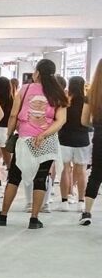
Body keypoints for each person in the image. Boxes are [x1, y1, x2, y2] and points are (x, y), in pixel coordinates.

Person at [0, 60, 68, 230]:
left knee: (14, 177)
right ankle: (34, 219)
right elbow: (61, 120)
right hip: (47, 142)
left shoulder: (25, 89)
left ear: (37, 73)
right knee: (41, 178)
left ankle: (3, 215)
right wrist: (44, 134)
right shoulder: (58, 93)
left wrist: (9, 134)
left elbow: (13, 115)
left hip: (25, 140)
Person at [59, 76, 90, 209]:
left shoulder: (65, 100)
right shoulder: (87, 101)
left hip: (64, 138)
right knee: (81, 170)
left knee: (65, 170)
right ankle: (81, 202)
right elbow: (89, 121)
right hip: (82, 139)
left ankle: (64, 202)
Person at [80, 60, 102, 226]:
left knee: (96, 175)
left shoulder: (92, 95)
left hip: (99, 138)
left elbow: (84, 121)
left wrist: (96, 126)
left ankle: (87, 212)